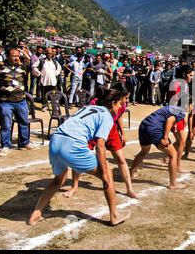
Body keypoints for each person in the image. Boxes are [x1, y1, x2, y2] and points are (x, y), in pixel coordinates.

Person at [28, 89, 131, 226]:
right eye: (119, 104)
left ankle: (35, 214)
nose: (120, 107)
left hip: (56, 140)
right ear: (112, 103)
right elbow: (100, 145)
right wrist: (104, 172)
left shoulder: (88, 107)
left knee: (58, 180)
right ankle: (114, 216)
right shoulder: (106, 116)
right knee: (108, 175)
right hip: (73, 144)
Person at [63, 83, 138, 199]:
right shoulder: (97, 102)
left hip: (111, 129)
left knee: (121, 159)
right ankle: (74, 186)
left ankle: (129, 188)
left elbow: (118, 117)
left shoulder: (121, 105)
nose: (127, 101)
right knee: (80, 155)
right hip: (95, 130)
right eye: (126, 98)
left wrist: (122, 133)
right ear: (117, 97)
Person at [130, 105, 188, 190]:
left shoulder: (171, 107)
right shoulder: (181, 111)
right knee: (173, 155)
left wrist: (172, 126)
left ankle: (130, 174)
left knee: (144, 151)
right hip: (154, 129)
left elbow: (166, 119)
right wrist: (165, 138)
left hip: (144, 125)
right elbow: (170, 120)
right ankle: (173, 184)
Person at [0, 48, 39, 157]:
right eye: (13, 56)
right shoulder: (0, 66)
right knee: (6, 124)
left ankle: (24, 142)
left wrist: (24, 53)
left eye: (17, 55)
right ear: (7, 56)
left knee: (24, 122)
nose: (16, 58)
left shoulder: (22, 67)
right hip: (5, 101)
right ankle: (5, 145)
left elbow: (30, 63)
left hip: (21, 100)